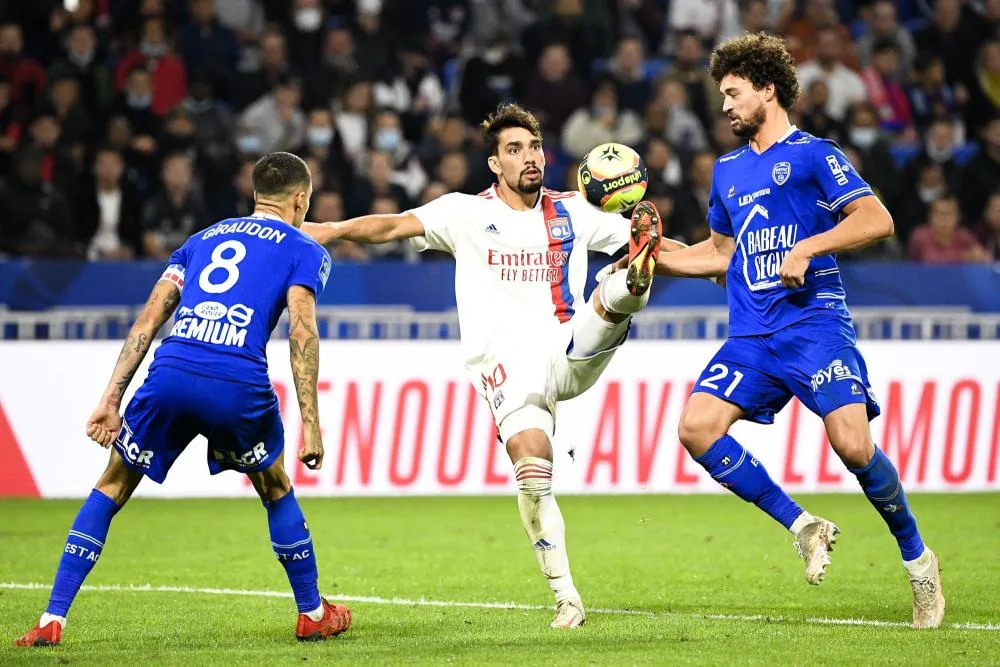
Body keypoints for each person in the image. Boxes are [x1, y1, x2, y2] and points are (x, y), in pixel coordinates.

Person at [303, 103, 678, 629]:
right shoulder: (464, 212)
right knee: (533, 467)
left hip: (570, 347)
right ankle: (567, 598)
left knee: (625, 279)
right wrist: (331, 229)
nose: (529, 157)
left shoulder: (574, 210)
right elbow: (391, 225)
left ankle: (628, 287)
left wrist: (717, 264)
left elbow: (667, 251)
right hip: (507, 365)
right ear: (495, 164)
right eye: (515, 149)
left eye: (535, 147)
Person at [630, 33, 944, 629]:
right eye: (722, 95)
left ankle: (918, 559)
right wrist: (652, 255)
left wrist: (808, 245)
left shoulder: (812, 154)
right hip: (751, 337)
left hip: (814, 326)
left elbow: (877, 219)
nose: (724, 106)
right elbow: (721, 252)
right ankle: (804, 526)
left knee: (853, 446)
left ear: (767, 90)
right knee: (695, 428)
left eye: (733, 93)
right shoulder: (726, 171)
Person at [14, 152, 351, 647]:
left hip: (170, 372)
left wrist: (111, 397)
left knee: (111, 485)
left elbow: (149, 321)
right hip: (237, 382)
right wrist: (312, 423)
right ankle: (312, 612)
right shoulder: (304, 248)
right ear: (301, 199)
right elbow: (302, 330)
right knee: (274, 485)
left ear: (255, 194)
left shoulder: (200, 240)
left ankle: (51, 619)